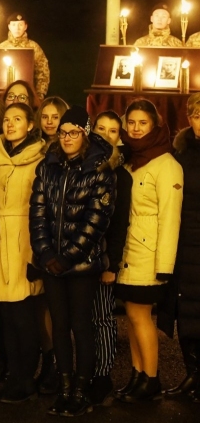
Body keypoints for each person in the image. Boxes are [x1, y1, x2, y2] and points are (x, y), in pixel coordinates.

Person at [29, 106, 116, 416]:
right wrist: (46, 254)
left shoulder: (99, 169)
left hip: (82, 264)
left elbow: (96, 220)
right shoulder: (48, 166)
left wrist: (67, 258)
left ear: (85, 133)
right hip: (51, 263)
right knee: (59, 326)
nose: (66, 137)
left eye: (74, 132)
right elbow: (37, 214)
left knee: (81, 326)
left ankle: (81, 389)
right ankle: (65, 387)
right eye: (63, 132)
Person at [116, 99, 183, 401]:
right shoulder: (130, 160)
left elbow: (171, 218)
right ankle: (137, 372)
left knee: (141, 315)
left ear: (154, 125)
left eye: (143, 123)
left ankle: (151, 378)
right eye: (131, 123)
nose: (136, 128)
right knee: (130, 316)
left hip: (149, 251)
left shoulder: (166, 164)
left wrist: (164, 266)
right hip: (128, 251)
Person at [0, 102, 47, 403]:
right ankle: (14, 375)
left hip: (26, 238)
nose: (10, 124)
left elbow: (44, 208)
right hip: (0, 239)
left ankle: (26, 378)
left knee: (24, 315)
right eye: (7, 120)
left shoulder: (40, 158)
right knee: (6, 315)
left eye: (18, 119)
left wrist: (38, 254)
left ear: (30, 125)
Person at [92, 111, 131, 405]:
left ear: (119, 137)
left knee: (103, 317)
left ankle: (103, 375)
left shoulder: (120, 175)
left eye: (112, 131)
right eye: (100, 128)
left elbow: (119, 225)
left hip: (103, 258)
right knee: (81, 319)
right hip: (77, 258)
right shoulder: (79, 165)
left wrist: (111, 263)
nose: (105, 134)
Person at [171, 93, 200, 401]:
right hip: (185, 242)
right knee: (186, 311)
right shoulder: (179, 152)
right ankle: (192, 373)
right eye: (195, 115)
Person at [0, 13, 51, 97]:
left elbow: (42, 73)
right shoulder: (1, 47)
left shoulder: (34, 47)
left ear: (25, 26)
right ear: (9, 27)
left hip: (27, 95)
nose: (17, 28)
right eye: (14, 25)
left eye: (20, 25)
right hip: (4, 95)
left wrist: (39, 95)